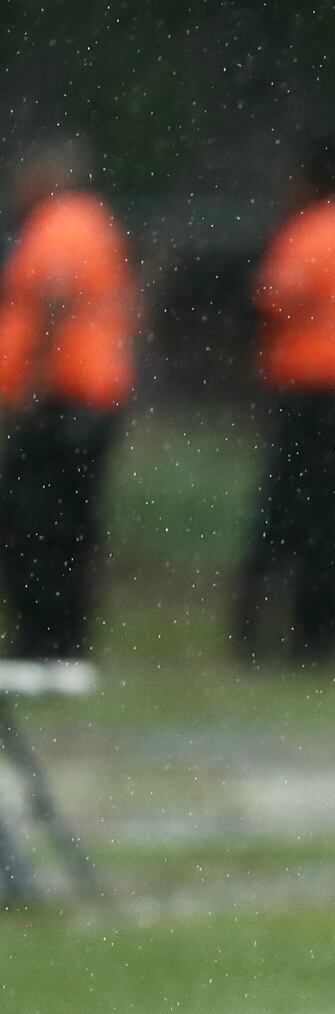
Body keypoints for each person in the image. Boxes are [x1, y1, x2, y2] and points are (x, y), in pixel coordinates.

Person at [232, 139, 335, 666]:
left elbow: (276, 300)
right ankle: (327, 632)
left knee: (287, 515)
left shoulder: (311, 231)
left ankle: (260, 630)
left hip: (312, 394)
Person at [0, 137, 135, 660]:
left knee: (36, 523)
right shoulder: (93, 221)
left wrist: (29, 387)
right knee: (69, 524)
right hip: (89, 398)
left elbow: (53, 304)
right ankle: (63, 639)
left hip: (62, 400)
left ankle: (44, 639)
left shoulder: (60, 223)